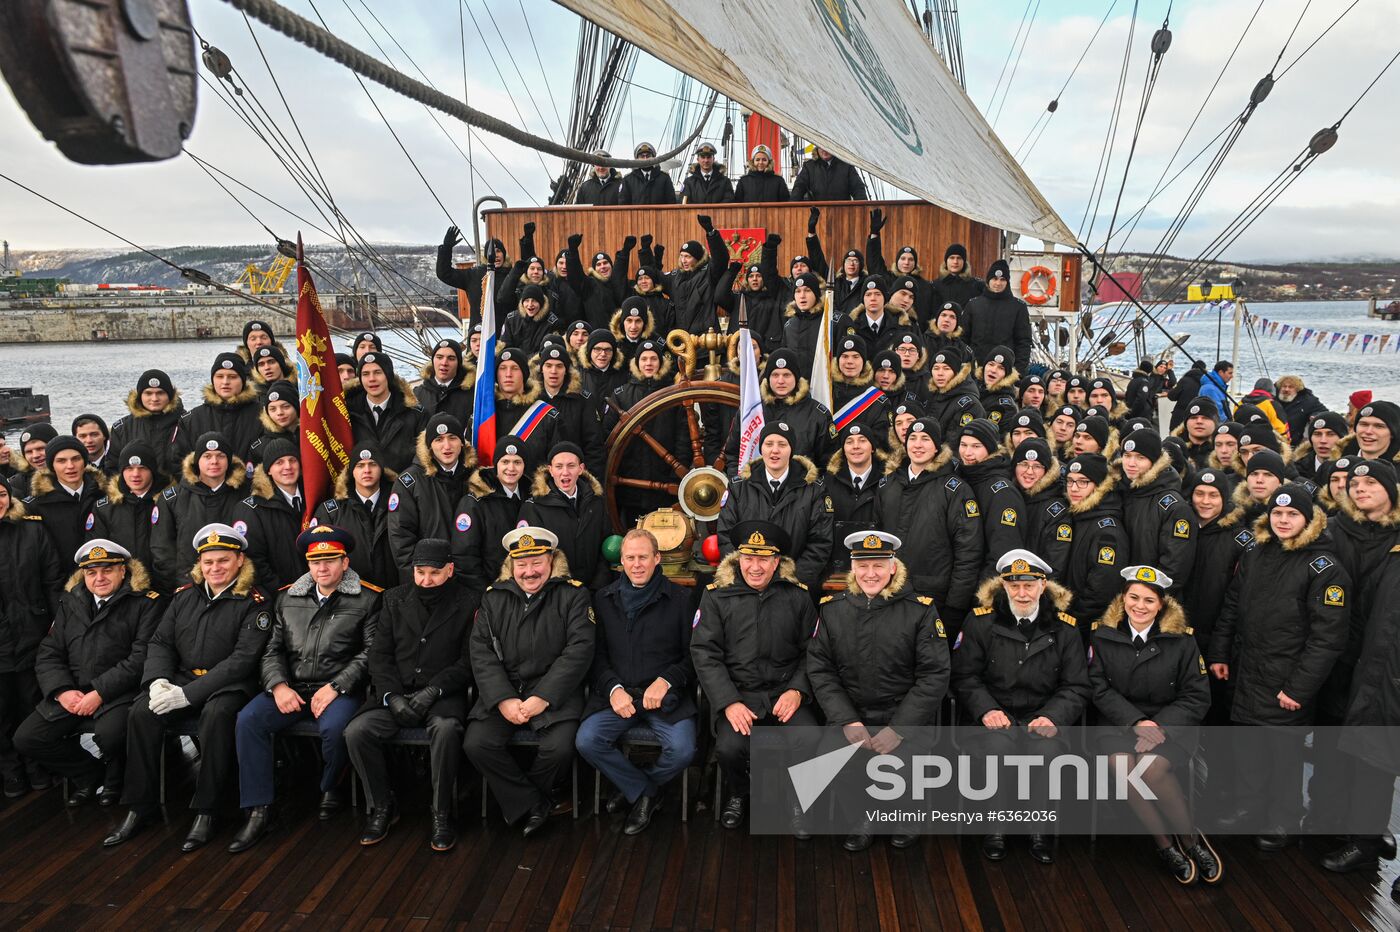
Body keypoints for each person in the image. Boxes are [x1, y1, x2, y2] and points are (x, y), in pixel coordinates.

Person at [104, 524, 272, 852]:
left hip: (230, 685)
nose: (215, 568)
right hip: (181, 676)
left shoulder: (256, 600)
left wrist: (188, 695)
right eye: (208, 563)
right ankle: (141, 806)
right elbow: (161, 642)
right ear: (200, 564)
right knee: (141, 711)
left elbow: (242, 660)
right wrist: (156, 681)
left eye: (223, 561)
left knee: (216, 714)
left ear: (240, 560)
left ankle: (207, 810)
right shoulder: (184, 596)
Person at [1208, 484, 1348, 849]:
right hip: (1249, 668)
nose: (1283, 520)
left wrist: (1299, 688)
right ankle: (1248, 809)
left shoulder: (1324, 568)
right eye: (1278, 513)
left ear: (1308, 519)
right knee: (1249, 748)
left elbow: (1327, 638)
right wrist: (1220, 654)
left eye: (1292, 514)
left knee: (1284, 756)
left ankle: (1283, 818)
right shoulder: (1256, 553)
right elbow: (1231, 608)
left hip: (1286, 678)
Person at [227, 526, 381, 853]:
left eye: (329, 560)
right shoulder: (287, 597)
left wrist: (337, 686)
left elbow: (371, 652)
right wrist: (278, 685)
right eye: (315, 561)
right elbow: (272, 650)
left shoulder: (368, 598)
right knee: (248, 720)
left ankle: (330, 787)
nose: (321, 568)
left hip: (339, 687)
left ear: (345, 562)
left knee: (336, 728)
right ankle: (258, 808)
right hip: (292, 685)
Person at [807, 530, 949, 851]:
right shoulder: (832, 610)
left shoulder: (921, 611)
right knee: (829, 755)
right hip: (853, 713)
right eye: (863, 565)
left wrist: (898, 729)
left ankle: (905, 816)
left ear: (893, 567)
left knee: (908, 763)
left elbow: (934, 675)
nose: (871, 574)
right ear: (852, 569)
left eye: (879, 565)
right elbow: (820, 670)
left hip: (902, 716)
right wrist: (847, 720)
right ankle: (863, 816)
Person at [952, 549, 1090, 864]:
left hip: (1041, 715)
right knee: (996, 749)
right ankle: (996, 828)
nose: (1022, 593)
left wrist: (1052, 716)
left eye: (1029, 585)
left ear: (1044, 585)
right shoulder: (980, 623)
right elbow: (964, 675)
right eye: (1014, 585)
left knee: (1045, 752)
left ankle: (1038, 830)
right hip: (994, 714)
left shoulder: (1065, 628)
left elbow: (1077, 685)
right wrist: (986, 709)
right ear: (1003, 586)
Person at [346, 539, 478, 851]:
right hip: (398, 691)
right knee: (356, 732)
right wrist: (391, 696)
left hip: (443, 694)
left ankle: (441, 812)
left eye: (434, 573)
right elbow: (380, 656)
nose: (426, 580)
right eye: (420, 572)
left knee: (446, 731)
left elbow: (469, 660)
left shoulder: (469, 601)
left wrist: (434, 689)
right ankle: (382, 806)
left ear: (450, 570)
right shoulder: (394, 599)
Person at [1088, 565, 1218, 884]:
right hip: (1118, 723)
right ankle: (1165, 844)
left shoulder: (1182, 641)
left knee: (1149, 769)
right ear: (1123, 599)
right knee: (1124, 769)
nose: (1139, 606)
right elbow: (1096, 687)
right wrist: (1135, 722)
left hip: (1170, 725)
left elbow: (1197, 696)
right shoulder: (1102, 635)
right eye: (1133, 597)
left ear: (1161, 605)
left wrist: (1157, 727)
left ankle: (1190, 839)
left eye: (1149, 600)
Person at [465, 527, 595, 837]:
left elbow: (580, 650)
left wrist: (544, 697)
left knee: (560, 748)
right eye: (521, 564)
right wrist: (503, 699)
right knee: (476, 743)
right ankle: (536, 802)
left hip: (554, 695)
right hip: (506, 692)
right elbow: (481, 652)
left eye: (536, 562)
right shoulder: (494, 597)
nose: (529, 572)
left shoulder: (574, 594)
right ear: (511, 565)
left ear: (551, 560)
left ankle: (523, 800)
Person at [692, 520, 818, 833]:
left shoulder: (798, 597)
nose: (755, 567)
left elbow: (813, 652)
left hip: (784, 692)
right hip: (739, 695)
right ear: (737, 559)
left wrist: (798, 691)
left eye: (764, 559)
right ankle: (739, 793)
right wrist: (728, 701)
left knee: (811, 738)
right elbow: (705, 654)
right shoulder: (716, 596)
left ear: (777, 562)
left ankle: (798, 799)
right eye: (748, 558)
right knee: (729, 749)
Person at [14, 540, 159, 807]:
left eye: (107, 570)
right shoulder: (71, 602)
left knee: (111, 734)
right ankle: (90, 774)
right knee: (27, 738)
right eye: (92, 572)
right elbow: (49, 652)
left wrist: (100, 692)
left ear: (123, 571)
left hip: (118, 692)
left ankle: (116, 780)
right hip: (74, 690)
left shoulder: (145, 603)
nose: (99, 578)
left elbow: (141, 658)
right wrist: (61, 691)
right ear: (84, 575)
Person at [576, 529, 696, 834]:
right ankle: (646, 792)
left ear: (658, 559)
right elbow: (595, 657)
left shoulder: (682, 599)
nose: (637, 564)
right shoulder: (602, 600)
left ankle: (636, 789)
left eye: (644, 557)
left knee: (683, 749)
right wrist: (613, 689)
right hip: (618, 698)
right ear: (621, 562)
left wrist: (668, 680)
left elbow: (694, 656)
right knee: (587, 740)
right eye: (630, 557)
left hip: (664, 699)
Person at [877, 418, 982, 634]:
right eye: (912, 438)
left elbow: (968, 551)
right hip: (889, 592)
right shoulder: (888, 485)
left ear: (936, 447)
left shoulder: (954, 489)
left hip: (935, 598)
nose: (917, 445)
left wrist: (955, 605)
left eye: (925, 439)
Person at [0, 474, 66, 797]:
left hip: (31, 632)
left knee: (32, 704)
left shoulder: (31, 529)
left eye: (0, 494)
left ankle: (37, 765)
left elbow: (52, 579)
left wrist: (56, 622)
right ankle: (11, 771)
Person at [717, 421, 834, 590]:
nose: (775, 450)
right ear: (761, 448)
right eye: (769, 444)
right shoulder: (739, 487)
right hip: (746, 584)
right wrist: (748, 576)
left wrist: (788, 579)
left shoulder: (814, 490)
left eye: (782, 444)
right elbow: (726, 535)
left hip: (794, 587)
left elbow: (820, 543)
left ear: (791, 449)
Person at [149, 432, 248, 594]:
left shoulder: (246, 495)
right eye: (207, 456)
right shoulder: (171, 498)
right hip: (188, 587)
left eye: (220, 456)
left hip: (237, 586)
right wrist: (180, 585)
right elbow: (162, 549)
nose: (214, 461)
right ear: (197, 461)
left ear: (229, 460)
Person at [387, 414, 478, 583]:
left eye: (453, 438)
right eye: (438, 439)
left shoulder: (477, 477)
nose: (447, 446)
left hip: (469, 580)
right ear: (429, 446)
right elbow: (400, 538)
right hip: (428, 581)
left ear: (462, 443)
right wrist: (419, 578)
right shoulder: (410, 482)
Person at [517, 442, 613, 590]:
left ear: (581, 469)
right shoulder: (533, 508)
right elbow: (532, 560)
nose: (565, 472)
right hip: (556, 594)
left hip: (596, 589)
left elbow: (605, 546)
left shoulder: (596, 502)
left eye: (571, 466)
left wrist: (599, 584)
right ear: (550, 470)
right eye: (559, 466)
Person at [1118, 430, 1196, 596]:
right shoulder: (1121, 491)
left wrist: (1146, 598)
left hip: (1151, 601)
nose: (1131, 463)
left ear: (1154, 461)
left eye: (1140, 457)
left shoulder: (1173, 507)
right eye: (1127, 455)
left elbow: (1174, 566)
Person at [311, 443, 398, 590]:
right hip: (350, 596)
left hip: (394, 590)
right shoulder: (331, 511)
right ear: (351, 471)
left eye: (373, 464)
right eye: (360, 465)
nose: (367, 470)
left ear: (381, 469)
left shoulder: (398, 503)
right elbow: (321, 558)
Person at [1059, 453, 1130, 630]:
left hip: (1084, 625)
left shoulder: (1107, 530)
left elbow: (1102, 589)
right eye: (1070, 481)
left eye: (1083, 482)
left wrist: (1073, 619)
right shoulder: (1079, 515)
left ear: (1099, 485)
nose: (1074, 488)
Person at [87, 442, 169, 590]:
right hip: (122, 588)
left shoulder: (168, 502)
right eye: (129, 469)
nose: (135, 474)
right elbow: (99, 553)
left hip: (164, 586)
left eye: (142, 468)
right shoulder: (104, 508)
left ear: (152, 470)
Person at [21, 434, 105, 572]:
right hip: (60, 583)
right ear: (52, 466)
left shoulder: (103, 495)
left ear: (84, 461)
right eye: (61, 461)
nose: (70, 466)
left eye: (76, 459)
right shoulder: (35, 506)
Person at [956, 418, 1026, 579]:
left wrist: (982, 593)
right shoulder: (961, 475)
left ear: (991, 448)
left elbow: (1003, 552)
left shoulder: (1001, 492)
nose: (967, 452)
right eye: (963, 445)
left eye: (976, 446)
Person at [233, 438, 304, 592]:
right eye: (279, 462)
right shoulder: (251, 509)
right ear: (268, 470)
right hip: (279, 596)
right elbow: (254, 561)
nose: (288, 467)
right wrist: (283, 591)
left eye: (292, 460)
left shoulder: (314, 499)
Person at [824, 423, 891, 574]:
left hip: (876, 570)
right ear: (843, 449)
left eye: (862, 440)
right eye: (849, 442)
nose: (856, 446)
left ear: (872, 447)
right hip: (835, 572)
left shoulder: (889, 482)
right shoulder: (827, 483)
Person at [532, 344, 605, 478]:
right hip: (538, 477)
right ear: (541, 369)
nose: (553, 371)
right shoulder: (531, 399)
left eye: (559, 366)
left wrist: (589, 481)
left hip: (573, 477)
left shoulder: (582, 400)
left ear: (566, 370)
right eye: (548, 365)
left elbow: (593, 445)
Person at [347, 352, 425, 473]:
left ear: (388, 375)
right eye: (365, 374)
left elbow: (424, 455)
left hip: (404, 487)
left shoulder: (415, 413)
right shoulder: (349, 413)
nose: (372, 379)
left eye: (378, 372)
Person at [174, 354, 263, 461]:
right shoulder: (191, 419)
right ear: (213, 380)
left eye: (232, 377)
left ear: (243, 381)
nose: (225, 382)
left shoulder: (263, 415)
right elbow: (178, 461)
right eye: (220, 376)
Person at [109, 369, 185, 479]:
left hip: (177, 491)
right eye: (148, 393)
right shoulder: (122, 428)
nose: (154, 399)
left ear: (170, 395)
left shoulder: (186, 423)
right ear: (140, 396)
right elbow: (112, 467)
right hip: (134, 492)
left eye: (160, 393)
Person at [962, 260, 1032, 376]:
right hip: (975, 372)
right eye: (994, 279)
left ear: (1007, 282)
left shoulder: (1018, 307)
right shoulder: (973, 305)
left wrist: (1017, 372)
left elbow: (1023, 342)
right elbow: (963, 339)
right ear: (988, 280)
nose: (998, 283)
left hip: (1005, 373)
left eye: (1002, 279)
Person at [436, 226, 508, 324]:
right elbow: (445, 274)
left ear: (504, 254)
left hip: (506, 334)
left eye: (499, 251)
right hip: (479, 332)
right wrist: (446, 249)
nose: (495, 255)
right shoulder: (473, 275)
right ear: (486, 256)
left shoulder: (511, 275)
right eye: (492, 252)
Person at [921, 344, 985, 439]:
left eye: (946, 369)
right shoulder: (932, 394)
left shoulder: (969, 404)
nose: (940, 373)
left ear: (956, 373)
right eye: (936, 368)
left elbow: (956, 443)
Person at [414, 338, 474, 423]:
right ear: (433, 361)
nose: (444, 363)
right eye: (439, 357)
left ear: (459, 363)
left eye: (451, 358)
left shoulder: (473, 395)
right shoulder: (417, 395)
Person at [246, 380, 299, 467]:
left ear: (297, 407)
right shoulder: (259, 448)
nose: (279, 413)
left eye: (286, 407)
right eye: (272, 409)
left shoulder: (312, 436)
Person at [790, 147, 867, 200]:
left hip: (843, 216)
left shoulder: (846, 166)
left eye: (827, 146)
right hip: (816, 217)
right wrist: (792, 208)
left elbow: (858, 189)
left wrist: (863, 209)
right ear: (817, 148)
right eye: (821, 146)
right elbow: (799, 188)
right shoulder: (809, 167)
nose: (824, 150)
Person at [1293, 411, 1346, 481]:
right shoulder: (1296, 471)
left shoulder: (1353, 468)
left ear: (1342, 439)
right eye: (1317, 434)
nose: (1323, 440)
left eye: (1330, 434)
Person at [1275, 375, 1327, 445]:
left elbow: (1323, 411)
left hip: (1294, 442)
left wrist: (1315, 415)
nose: (1286, 389)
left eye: (1290, 387)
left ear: (1297, 389)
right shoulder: (1272, 397)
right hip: (1272, 440)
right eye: (1284, 386)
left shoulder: (1307, 400)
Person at [932, 244, 984, 310]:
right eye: (952, 258)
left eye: (959, 258)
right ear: (946, 261)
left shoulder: (976, 285)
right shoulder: (935, 286)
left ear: (964, 262)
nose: (955, 262)